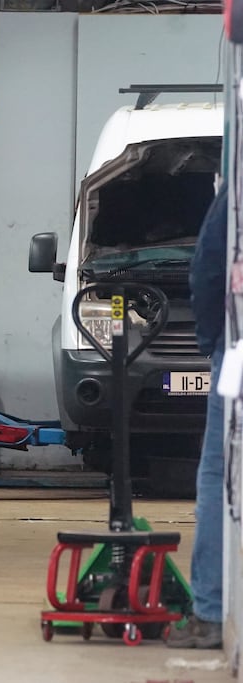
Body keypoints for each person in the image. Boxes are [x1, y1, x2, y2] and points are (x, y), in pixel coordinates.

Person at [167, 180, 228, 649]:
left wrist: (214, 348)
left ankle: (210, 613)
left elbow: (207, 269)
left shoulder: (237, 193)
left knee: (219, 474)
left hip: (239, 351)